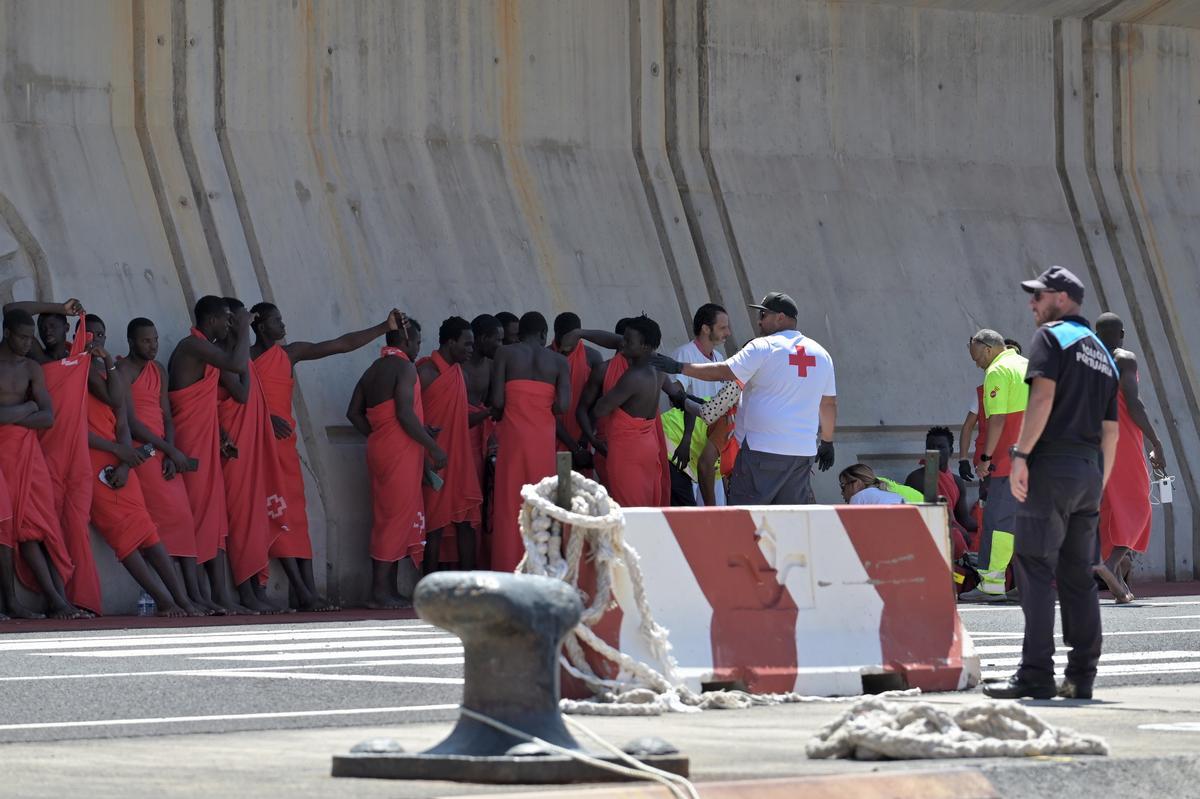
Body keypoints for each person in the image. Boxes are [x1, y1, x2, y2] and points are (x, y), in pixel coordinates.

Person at [983, 266, 1119, 701]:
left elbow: (1040, 397)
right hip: (1088, 472)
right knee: (1079, 576)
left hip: (1052, 467)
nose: (1032, 303)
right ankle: (1082, 675)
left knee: (1035, 568)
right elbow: (1110, 431)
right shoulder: (1102, 351)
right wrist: (1101, 482)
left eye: (1038, 296)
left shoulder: (1051, 337)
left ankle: (1036, 673)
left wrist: (1020, 455)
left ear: (1061, 298)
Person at [249, 302, 402, 611]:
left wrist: (383, 328)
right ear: (261, 326)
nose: (284, 325)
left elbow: (340, 345)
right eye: (277, 321)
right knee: (273, 517)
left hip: (285, 449)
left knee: (296, 519)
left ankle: (305, 592)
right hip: (259, 450)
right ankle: (301, 590)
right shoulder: (243, 358)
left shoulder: (288, 354)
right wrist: (263, 418)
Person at [653, 292, 836, 505]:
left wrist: (679, 368)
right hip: (802, 455)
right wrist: (827, 441)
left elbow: (723, 375)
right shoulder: (822, 354)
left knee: (746, 519)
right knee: (789, 518)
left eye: (764, 315)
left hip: (763, 453)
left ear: (780, 317)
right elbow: (829, 403)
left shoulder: (762, 347)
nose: (759, 321)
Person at [83, 315, 199, 617]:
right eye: (90, 334)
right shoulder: (79, 372)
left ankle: (183, 599)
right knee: (125, 538)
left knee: (148, 530)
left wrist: (124, 460)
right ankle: (163, 600)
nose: (96, 340)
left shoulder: (113, 370)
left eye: (101, 335)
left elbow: (121, 417)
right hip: (96, 461)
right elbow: (82, 428)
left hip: (124, 458)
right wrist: (121, 451)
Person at [3, 298, 102, 615]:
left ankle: (57, 601)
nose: (27, 342)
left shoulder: (31, 367)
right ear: (7, 334)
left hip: (27, 451)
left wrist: (13, 414)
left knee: (33, 527)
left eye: (29, 337)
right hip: (4, 452)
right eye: (21, 336)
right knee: (6, 526)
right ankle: (17, 602)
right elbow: (11, 307)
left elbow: (48, 417)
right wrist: (28, 408)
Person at [119, 317, 219, 614]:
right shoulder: (122, 371)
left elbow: (167, 416)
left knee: (184, 519)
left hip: (164, 451)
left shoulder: (159, 370)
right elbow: (132, 422)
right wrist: (167, 451)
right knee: (162, 525)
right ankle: (176, 598)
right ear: (131, 342)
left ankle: (196, 594)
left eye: (155, 340)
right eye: (145, 341)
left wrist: (172, 450)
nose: (152, 346)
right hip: (143, 452)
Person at [346, 320, 445, 608]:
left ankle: (387, 589)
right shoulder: (405, 368)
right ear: (405, 340)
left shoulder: (372, 370)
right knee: (394, 520)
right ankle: (379, 591)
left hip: (381, 447)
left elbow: (353, 413)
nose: (418, 347)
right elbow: (404, 413)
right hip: (399, 451)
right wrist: (433, 447)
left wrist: (380, 434)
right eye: (416, 342)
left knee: (387, 516)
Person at [168, 295, 253, 614]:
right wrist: (244, 331)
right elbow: (236, 364)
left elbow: (241, 392)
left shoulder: (210, 351)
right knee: (196, 516)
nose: (231, 324)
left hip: (207, 439)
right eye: (227, 319)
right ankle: (197, 595)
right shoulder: (192, 345)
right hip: (190, 441)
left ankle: (220, 596)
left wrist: (219, 433)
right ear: (212, 320)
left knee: (214, 519)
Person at [216, 298, 289, 614]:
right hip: (233, 451)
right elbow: (241, 394)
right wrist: (244, 333)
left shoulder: (238, 354)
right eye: (241, 317)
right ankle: (245, 591)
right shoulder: (222, 355)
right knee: (241, 519)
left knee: (255, 519)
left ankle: (256, 589)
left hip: (251, 448)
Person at [489, 312, 569, 571]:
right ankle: (541, 567)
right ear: (544, 334)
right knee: (541, 501)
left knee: (510, 503)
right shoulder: (558, 361)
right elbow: (563, 405)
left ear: (519, 332)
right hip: (542, 440)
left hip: (513, 438)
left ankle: (508, 566)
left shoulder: (505, 354)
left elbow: (497, 402)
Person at [1094, 312, 1166, 603]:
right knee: (1138, 505)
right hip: (1123, 440)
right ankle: (1111, 564)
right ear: (1121, 333)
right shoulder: (1125, 358)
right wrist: (1157, 442)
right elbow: (1133, 403)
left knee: (1110, 508)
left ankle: (1120, 575)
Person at [592, 315, 694, 507]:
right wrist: (686, 438)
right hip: (650, 447)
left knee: (628, 510)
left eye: (628, 341)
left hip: (627, 451)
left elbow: (600, 409)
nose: (622, 344)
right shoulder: (659, 369)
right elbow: (685, 401)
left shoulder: (634, 375)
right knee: (647, 506)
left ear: (645, 346)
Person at [958, 329, 1028, 603]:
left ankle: (991, 583)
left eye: (976, 356)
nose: (976, 362)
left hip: (1008, 462)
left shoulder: (997, 371)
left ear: (987, 348)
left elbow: (997, 419)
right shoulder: (1029, 366)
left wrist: (986, 459)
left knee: (999, 523)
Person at [415, 316, 482, 573]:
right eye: (466, 344)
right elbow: (408, 415)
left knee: (465, 521)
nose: (470, 349)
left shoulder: (459, 373)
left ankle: (467, 585)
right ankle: (428, 586)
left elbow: (460, 417)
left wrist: (487, 414)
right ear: (450, 342)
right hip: (434, 459)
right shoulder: (425, 372)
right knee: (434, 525)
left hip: (460, 460)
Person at [663, 302, 734, 506]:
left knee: (717, 512)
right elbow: (676, 398)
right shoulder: (684, 354)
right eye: (722, 327)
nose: (728, 332)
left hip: (713, 447)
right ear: (705, 328)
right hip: (686, 448)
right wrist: (686, 440)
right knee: (693, 514)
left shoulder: (720, 358)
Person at [464, 314, 502, 568]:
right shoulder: (459, 367)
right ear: (482, 339)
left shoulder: (491, 366)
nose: (500, 345)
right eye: (496, 340)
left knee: (480, 503)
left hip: (481, 441)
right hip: (458, 439)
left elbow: (490, 405)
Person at [551, 312, 603, 468]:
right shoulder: (546, 356)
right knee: (560, 489)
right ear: (556, 333)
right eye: (563, 336)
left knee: (579, 489)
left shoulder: (592, 357)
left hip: (583, 434)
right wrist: (574, 447)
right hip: (553, 434)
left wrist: (584, 442)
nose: (567, 342)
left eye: (573, 336)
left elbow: (597, 402)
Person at [904, 426, 978, 536]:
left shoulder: (957, 482)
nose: (934, 451)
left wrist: (984, 526)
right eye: (930, 447)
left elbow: (964, 519)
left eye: (940, 447)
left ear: (951, 451)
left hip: (952, 532)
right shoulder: (916, 478)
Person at [838, 464, 908, 505]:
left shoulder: (859, 497)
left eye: (843, 486)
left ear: (857, 483)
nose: (841, 493)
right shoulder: (895, 495)